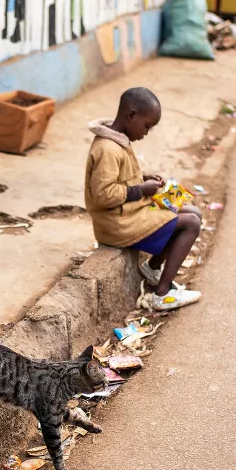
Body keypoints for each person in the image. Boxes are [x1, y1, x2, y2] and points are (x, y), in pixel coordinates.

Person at [84, 88, 203, 312]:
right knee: (191, 223)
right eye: (147, 126)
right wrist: (141, 189)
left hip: (129, 213)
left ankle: (153, 268)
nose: (146, 132)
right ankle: (162, 293)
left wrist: (144, 179)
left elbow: (120, 179)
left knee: (192, 213)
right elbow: (103, 195)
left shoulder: (118, 140)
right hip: (116, 224)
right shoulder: (107, 149)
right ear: (131, 115)